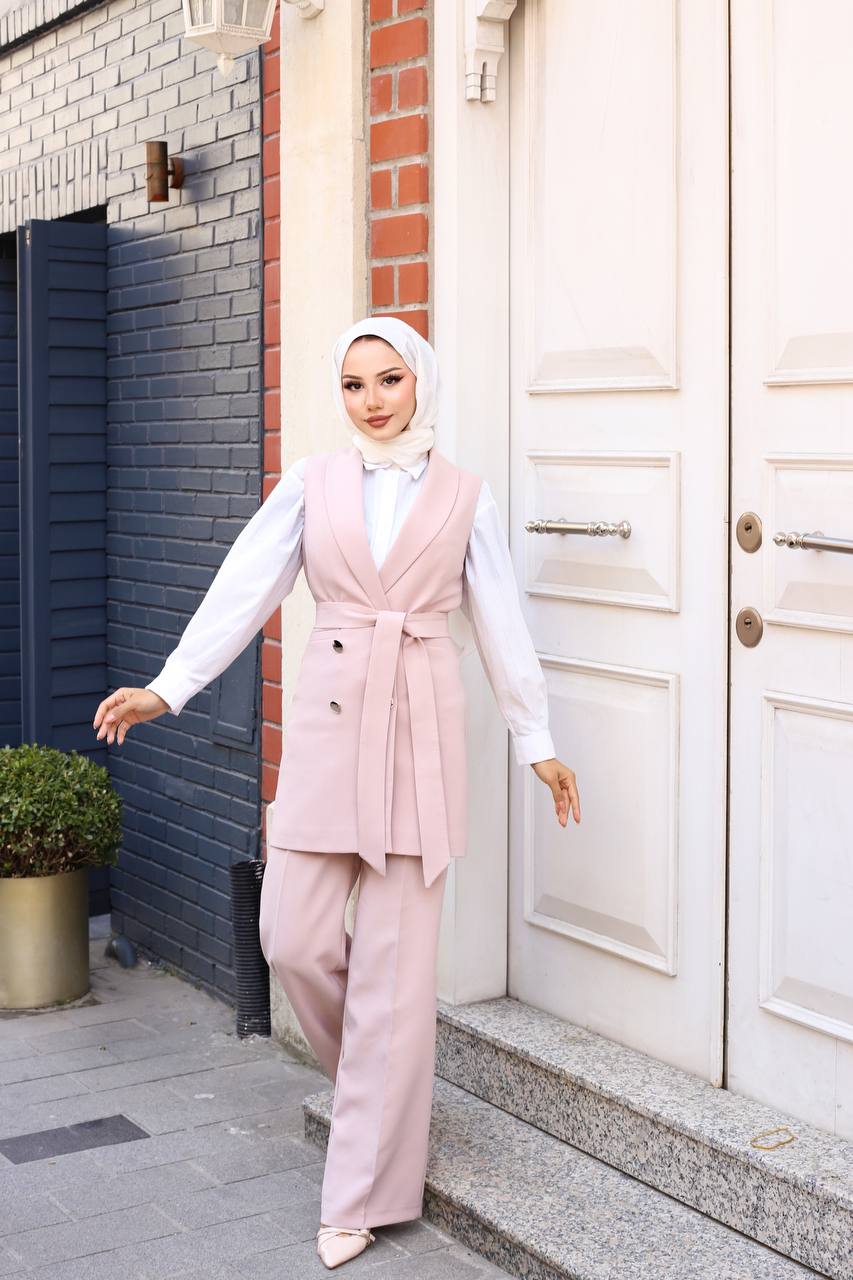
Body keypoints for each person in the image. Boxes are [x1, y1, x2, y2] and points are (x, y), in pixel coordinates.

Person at [92, 316, 581, 1270]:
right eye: (354, 384)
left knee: (397, 977)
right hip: (325, 729)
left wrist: (538, 739)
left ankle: (360, 1186)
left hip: (420, 736)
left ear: (420, 384)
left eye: (389, 380)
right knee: (295, 939)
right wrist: (170, 685)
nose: (372, 400)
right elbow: (247, 587)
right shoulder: (310, 484)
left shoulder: (465, 497)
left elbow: (500, 625)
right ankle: (383, 1093)